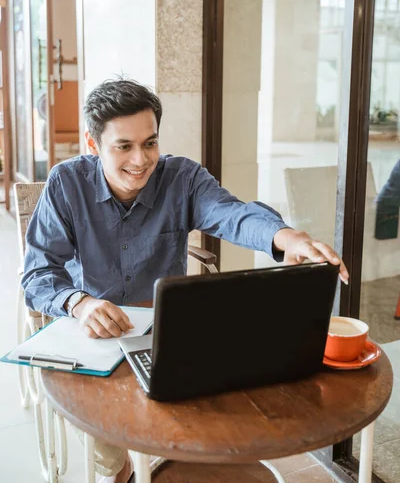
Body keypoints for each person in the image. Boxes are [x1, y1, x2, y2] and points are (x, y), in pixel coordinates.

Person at [22, 78, 349, 483]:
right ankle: (121, 471)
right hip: (90, 332)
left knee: (215, 414)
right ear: (93, 145)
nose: (141, 160)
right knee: (109, 446)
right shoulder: (66, 183)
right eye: (123, 146)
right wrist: (79, 302)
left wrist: (286, 237)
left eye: (150, 143)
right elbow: (37, 273)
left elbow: (232, 213)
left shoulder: (182, 178)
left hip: (165, 333)